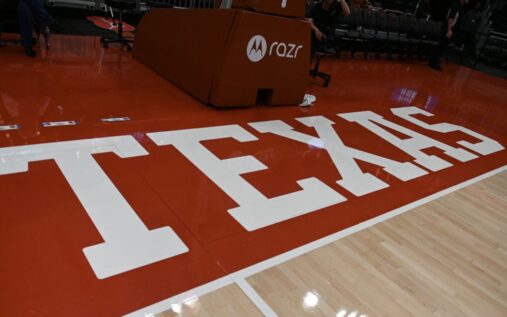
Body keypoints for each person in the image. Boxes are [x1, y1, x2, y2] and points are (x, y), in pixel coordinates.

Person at [428, 0, 467, 71]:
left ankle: (435, 61)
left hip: (452, 29)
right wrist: (449, 30)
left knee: (443, 46)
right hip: (447, 29)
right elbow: (450, 17)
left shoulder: (461, 7)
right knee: (441, 45)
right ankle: (433, 62)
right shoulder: (455, 5)